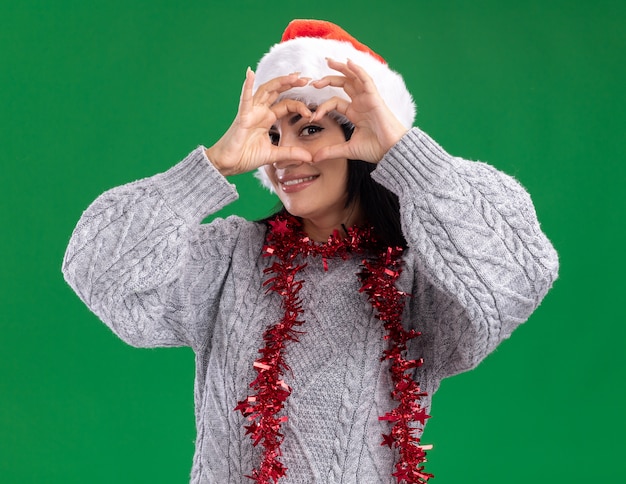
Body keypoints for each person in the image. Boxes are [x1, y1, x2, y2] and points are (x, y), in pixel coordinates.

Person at [62, 19, 559, 484]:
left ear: (360, 140)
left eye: (312, 129)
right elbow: (95, 268)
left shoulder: (421, 279)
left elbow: (521, 271)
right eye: (275, 135)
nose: (288, 156)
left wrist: (400, 148)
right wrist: (212, 165)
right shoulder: (231, 257)